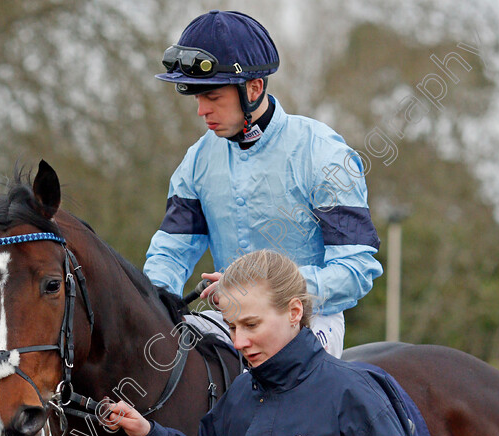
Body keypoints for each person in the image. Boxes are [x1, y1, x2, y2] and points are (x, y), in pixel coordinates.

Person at [143, 10, 383, 358]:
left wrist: (261, 292)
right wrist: (149, 309)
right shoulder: (196, 161)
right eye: (197, 98)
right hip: (226, 322)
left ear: (253, 89)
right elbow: (170, 254)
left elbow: (354, 270)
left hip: (305, 322)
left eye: (212, 97)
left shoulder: (323, 153)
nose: (201, 111)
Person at [106, 250, 423, 436]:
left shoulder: (355, 393)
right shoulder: (239, 397)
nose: (238, 342)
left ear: (294, 312)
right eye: (231, 327)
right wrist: (149, 434)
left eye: (251, 324)